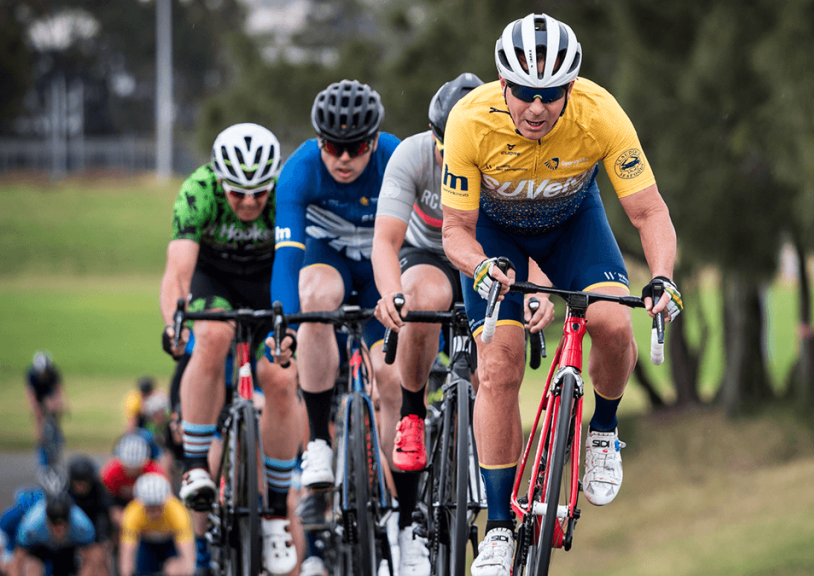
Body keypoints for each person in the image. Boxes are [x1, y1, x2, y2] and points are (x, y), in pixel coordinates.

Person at [438, 13, 683, 575]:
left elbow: (649, 211)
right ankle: (498, 525)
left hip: (573, 227)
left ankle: (603, 430)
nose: (536, 107)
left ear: (570, 89)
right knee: (497, 367)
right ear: (503, 84)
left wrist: (664, 276)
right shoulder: (469, 120)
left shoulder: (600, 113)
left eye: (550, 95)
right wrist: (479, 265)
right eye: (524, 92)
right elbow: (454, 231)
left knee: (615, 325)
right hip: (493, 237)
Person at [371, 72, 555, 576]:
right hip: (428, 253)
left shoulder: (503, 150)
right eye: (439, 141)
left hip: (483, 254)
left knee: (493, 367)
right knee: (426, 297)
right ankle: (412, 412)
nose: (445, 150)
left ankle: (485, 460)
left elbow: (532, 234)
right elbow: (386, 241)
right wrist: (392, 293)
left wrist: (536, 290)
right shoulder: (410, 156)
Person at [158, 123, 298, 575]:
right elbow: (179, 270)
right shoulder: (198, 191)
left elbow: (300, 261)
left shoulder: (286, 193)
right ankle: (196, 465)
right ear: (220, 180)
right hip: (212, 282)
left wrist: (291, 328)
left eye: (259, 192)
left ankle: (276, 511)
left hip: (267, 285)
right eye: (238, 193)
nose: (250, 203)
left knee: (280, 376)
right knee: (213, 334)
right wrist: (174, 323)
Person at [271, 80, 401, 492]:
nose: (344, 158)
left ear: (375, 140)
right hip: (330, 260)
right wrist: (286, 325)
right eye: (332, 146)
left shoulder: (395, 158)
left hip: (383, 269)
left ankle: (404, 509)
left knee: (389, 376)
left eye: (358, 147)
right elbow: (288, 256)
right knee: (313, 299)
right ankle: (318, 442)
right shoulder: (299, 169)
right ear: (318, 140)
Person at [117, 474, 194, 576]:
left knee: (175, 570)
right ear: (140, 503)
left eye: (158, 507)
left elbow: (188, 553)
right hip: (146, 545)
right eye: (149, 508)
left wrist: (185, 568)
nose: (154, 513)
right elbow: (127, 553)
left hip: (171, 544)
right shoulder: (132, 513)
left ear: (165, 501)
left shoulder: (178, 511)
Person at [14, 490, 97, 576]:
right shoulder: (31, 525)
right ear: (46, 519)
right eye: (54, 523)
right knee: (31, 567)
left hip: (69, 551)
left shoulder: (82, 525)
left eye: (63, 523)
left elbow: (91, 560)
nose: (59, 528)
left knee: (97, 558)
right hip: (40, 549)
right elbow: (17, 560)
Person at [101, 433, 167, 528]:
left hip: (146, 506)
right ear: (120, 461)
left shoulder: (155, 472)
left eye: (136, 467)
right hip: (119, 503)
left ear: (145, 461)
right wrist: (113, 509)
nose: (132, 471)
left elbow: (166, 498)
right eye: (128, 466)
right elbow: (104, 495)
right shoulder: (110, 471)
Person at [65, 457, 113, 576]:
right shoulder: (65, 493)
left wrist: (102, 540)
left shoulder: (100, 491)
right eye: (77, 483)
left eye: (84, 483)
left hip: (95, 529)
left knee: (100, 558)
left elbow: (104, 517)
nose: (80, 487)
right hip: (71, 529)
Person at [25, 352, 67, 469]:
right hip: (39, 395)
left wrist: (60, 403)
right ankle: (41, 446)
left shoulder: (53, 372)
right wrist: (36, 409)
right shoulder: (31, 373)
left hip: (49, 394)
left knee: (55, 414)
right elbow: (31, 393)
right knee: (39, 422)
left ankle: (57, 439)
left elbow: (58, 389)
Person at [0, 486, 45, 576]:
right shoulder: (8, 518)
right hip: (11, 552)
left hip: (34, 556)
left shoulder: (43, 523)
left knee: (32, 566)